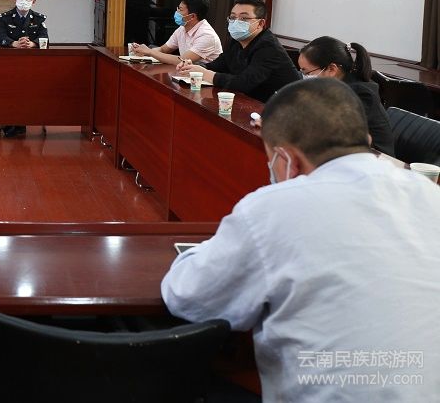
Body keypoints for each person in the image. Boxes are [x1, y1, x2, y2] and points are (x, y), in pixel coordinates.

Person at [161, 78, 440, 402]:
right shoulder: (429, 194)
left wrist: (200, 253)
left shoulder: (274, 208)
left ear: (287, 160)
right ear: (366, 140)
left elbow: (188, 297)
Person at [178, 0, 300, 102]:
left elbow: (244, 83)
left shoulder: (269, 47)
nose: (236, 22)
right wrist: (193, 67)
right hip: (251, 99)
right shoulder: (236, 41)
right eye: (232, 17)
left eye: (244, 18)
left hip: (286, 105)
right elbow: (218, 65)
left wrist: (204, 73)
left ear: (260, 23)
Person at [298, 36, 395, 156]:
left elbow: (331, 131)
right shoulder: (333, 86)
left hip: (375, 159)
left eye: (307, 73)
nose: (305, 77)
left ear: (331, 69)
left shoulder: (361, 94)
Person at [0, 0, 49, 137]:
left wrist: (32, 44)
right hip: (9, 65)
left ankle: (23, 121)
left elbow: (45, 39)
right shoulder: (4, 17)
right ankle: (11, 122)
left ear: (34, 1)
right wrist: (14, 43)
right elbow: (0, 38)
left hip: (32, 66)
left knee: (30, 89)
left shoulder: (39, 19)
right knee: (10, 90)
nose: (24, 1)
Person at [132, 0, 222, 65]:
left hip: (203, 78)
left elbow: (182, 60)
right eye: (178, 8)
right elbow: (163, 49)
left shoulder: (207, 35)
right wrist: (144, 51)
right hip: (186, 74)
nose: (177, 12)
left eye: (180, 10)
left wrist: (150, 52)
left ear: (192, 16)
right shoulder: (182, 28)